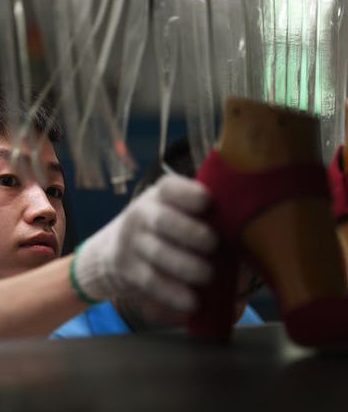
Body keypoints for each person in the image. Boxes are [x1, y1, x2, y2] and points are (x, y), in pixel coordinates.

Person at [0, 95, 219, 339]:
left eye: (54, 190)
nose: (46, 209)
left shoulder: (95, 331)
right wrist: (91, 269)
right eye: (8, 180)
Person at [50, 138, 263, 339]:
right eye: (196, 294)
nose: (222, 318)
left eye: (237, 297)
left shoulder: (246, 326)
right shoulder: (62, 342)